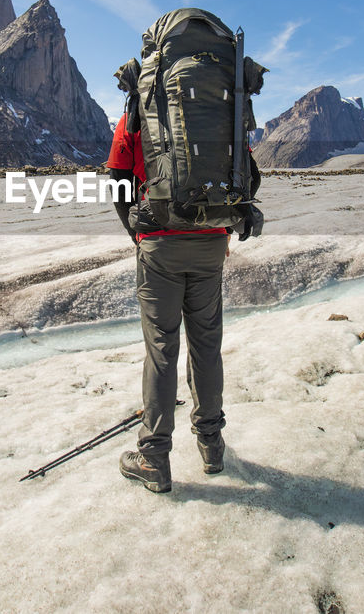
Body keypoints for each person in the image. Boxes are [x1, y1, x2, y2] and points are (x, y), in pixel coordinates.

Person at [107, 110, 230, 494]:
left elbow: (119, 181)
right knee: (206, 344)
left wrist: (138, 233)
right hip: (211, 238)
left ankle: (154, 458)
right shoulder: (217, 101)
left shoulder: (135, 111)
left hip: (160, 242)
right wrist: (221, 228)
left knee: (162, 348)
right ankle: (211, 445)